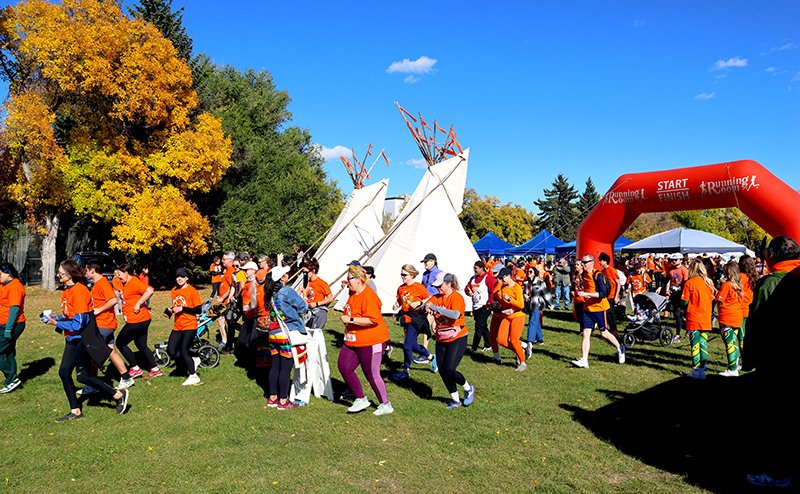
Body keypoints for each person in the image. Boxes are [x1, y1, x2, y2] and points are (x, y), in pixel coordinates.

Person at [742, 236, 800, 488]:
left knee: (777, 421)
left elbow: (756, 327)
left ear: (772, 257)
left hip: (777, 362)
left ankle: (779, 473)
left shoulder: (769, 284)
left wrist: (749, 359)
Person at [46, 260, 129, 422]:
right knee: (64, 372)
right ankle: (75, 410)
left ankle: (118, 394)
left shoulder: (80, 291)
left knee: (82, 376)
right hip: (71, 338)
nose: (58, 275)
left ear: (70, 275)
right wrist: (54, 318)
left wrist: (56, 323)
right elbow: (70, 316)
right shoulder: (66, 292)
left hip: (82, 339)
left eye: (61, 273)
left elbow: (79, 323)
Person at [339, 265, 393, 416]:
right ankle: (361, 398)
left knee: (370, 372)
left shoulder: (369, 296)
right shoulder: (353, 293)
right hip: (353, 339)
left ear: (358, 280)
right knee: (344, 366)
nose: (347, 281)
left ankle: (385, 404)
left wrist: (350, 319)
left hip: (372, 340)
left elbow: (373, 320)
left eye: (349, 278)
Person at [426, 273, 475, 410]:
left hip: (457, 337)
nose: (437, 289)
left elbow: (455, 314)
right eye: (435, 286)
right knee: (442, 370)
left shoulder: (456, 297)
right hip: (441, 338)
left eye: (440, 286)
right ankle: (455, 400)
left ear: (448, 284)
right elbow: (427, 305)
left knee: (449, 369)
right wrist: (425, 308)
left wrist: (435, 308)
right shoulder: (436, 297)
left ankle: (468, 388)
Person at [571, 254, 625, 368]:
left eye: (584, 263)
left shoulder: (598, 275)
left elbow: (602, 294)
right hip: (587, 309)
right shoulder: (584, 274)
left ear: (591, 262)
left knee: (604, 333)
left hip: (599, 308)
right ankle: (584, 360)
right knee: (586, 333)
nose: (582, 265)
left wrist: (586, 294)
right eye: (581, 263)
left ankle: (620, 348)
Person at [85, 261, 134, 390]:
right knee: (111, 352)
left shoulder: (102, 283)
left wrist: (98, 310)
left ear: (92, 271)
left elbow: (113, 300)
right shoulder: (97, 284)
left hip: (104, 323)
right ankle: (126, 378)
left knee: (93, 353)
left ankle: (92, 385)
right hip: (105, 323)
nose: (85, 272)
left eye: (86, 270)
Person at [266, 265, 308, 410]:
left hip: (273, 333)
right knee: (285, 368)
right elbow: (303, 307)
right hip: (286, 333)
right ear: (282, 277)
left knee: (275, 366)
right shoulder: (286, 291)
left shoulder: (271, 292)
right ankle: (283, 401)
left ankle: (272, 398)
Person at [115, 264, 161, 379]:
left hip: (137, 320)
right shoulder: (126, 283)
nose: (118, 276)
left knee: (120, 343)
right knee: (141, 344)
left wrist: (138, 303)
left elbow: (149, 290)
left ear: (126, 273)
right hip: (142, 319)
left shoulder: (134, 282)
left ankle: (135, 368)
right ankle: (155, 369)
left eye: (120, 274)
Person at [391, 264, 436, 380]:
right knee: (413, 344)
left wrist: (420, 303)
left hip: (416, 318)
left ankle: (406, 370)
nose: (402, 277)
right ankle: (431, 357)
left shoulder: (418, 287)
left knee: (407, 346)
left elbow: (429, 298)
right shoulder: (401, 288)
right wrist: (396, 305)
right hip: (406, 318)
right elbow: (400, 300)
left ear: (411, 275)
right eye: (401, 274)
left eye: (404, 275)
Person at [166, 268, 203, 386]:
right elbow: (176, 306)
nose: (179, 278)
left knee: (183, 350)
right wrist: (170, 311)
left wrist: (183, 309)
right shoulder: (174, 291)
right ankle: (193, 358)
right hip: (178, 325)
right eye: (177, 276)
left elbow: (198, 309)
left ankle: (193, 375)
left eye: (182, 276)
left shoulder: (192, 291)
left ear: (187, 278)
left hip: (190, 325)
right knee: (171, 350)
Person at [682, 259, 715, 380]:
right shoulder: (709, 282)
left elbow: (685, 301)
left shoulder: (689, 283)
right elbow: (712, 299)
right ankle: (702, 370)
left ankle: (696, 370)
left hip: (693, 316)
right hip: (705, 317)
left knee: (695, 344)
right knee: (703, 342)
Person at [489, 267, 527, 371]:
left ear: (509, 276)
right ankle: (520, 349)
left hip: (517, 316)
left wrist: (510, 300)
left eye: (503, 277)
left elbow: (521, 304)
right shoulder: (503, 287)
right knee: (501, 340)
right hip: (507, 316)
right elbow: (496, 293)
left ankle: (522, 363)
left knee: (513, 340)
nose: (501, 279)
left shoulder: (517, 287)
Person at [714, 261, 743, 377]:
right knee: (734, 343)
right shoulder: (738, 284)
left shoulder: (726, 285)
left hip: (727, 317)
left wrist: (715, 292)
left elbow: (720, 300)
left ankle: (732, 369)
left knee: (729, 344)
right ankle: (734, 365)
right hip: (737, 316)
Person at [0, 262, 25, 393]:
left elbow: (14, 310)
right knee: (8, 351)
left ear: (8, 274)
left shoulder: (15, 286)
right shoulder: (4, 284)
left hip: (13, 324)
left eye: (0, 273)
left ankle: (12, 378)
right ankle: (12, 380)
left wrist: (9, 329)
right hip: (3, 323)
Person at [464, 261, 495, 354]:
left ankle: (474, 348)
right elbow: (467, 288)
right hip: (476, 306)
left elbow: (493, 291)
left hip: (485, 305)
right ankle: (488, 344)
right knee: (483, 326)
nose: (475, 270)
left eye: (476, 268)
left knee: (478, 326)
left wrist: (490, 302)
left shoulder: (488, 278)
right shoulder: (473, 279)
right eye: (474, 268)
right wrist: (468, 292)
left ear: (482, 268)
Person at [302, 257, 333, 330]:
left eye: (306, 272)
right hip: (308, 312)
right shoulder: (306, 282)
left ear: (313, 271)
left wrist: (316, 304)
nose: (304, 274)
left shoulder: (321, 283)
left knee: (315, 334)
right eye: (303, 273)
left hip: (319, 312)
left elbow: (330, 298)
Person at [524, 265, 548, 357]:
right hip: (529, 305)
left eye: (531, 272)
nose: (528, 273)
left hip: (537, 304)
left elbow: (545, 293)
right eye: (528, 271)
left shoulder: (540, 282)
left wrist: (550, 304)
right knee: (536, 321)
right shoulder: (526, 283)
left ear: (535, 273)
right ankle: (540, 339)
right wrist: (525, 296)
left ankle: (530, 341)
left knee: (532, 322)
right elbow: (525, 292)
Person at [736, 255, 757, 358]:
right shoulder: (754, 276)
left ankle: (745, 358)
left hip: (742, 309)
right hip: (751, 308)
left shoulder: (740, 277)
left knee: (742, 336)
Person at [666, 256, 689, 343]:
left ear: (680, 260)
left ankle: (681, 332)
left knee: (681, 313)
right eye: (672, 260)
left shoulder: (684, 270)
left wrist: (684, 295)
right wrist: (667, 291)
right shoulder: (671, 270)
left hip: (682, 294)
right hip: (673, 294)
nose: (674, 261)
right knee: (676, 314)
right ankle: (680, 332)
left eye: (676, 260)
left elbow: (686, 283)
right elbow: (668, 281)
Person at [597, 253, 621, 336]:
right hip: (605, 295)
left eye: (600, 260)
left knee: (610, 313)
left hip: (611, 296)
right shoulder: (602, 272)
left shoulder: (612, 270)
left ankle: (614, 330)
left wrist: (616, 296)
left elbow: (618, 283)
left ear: (605, 261)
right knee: (606, 313)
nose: (599, 262)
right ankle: (608, 330)